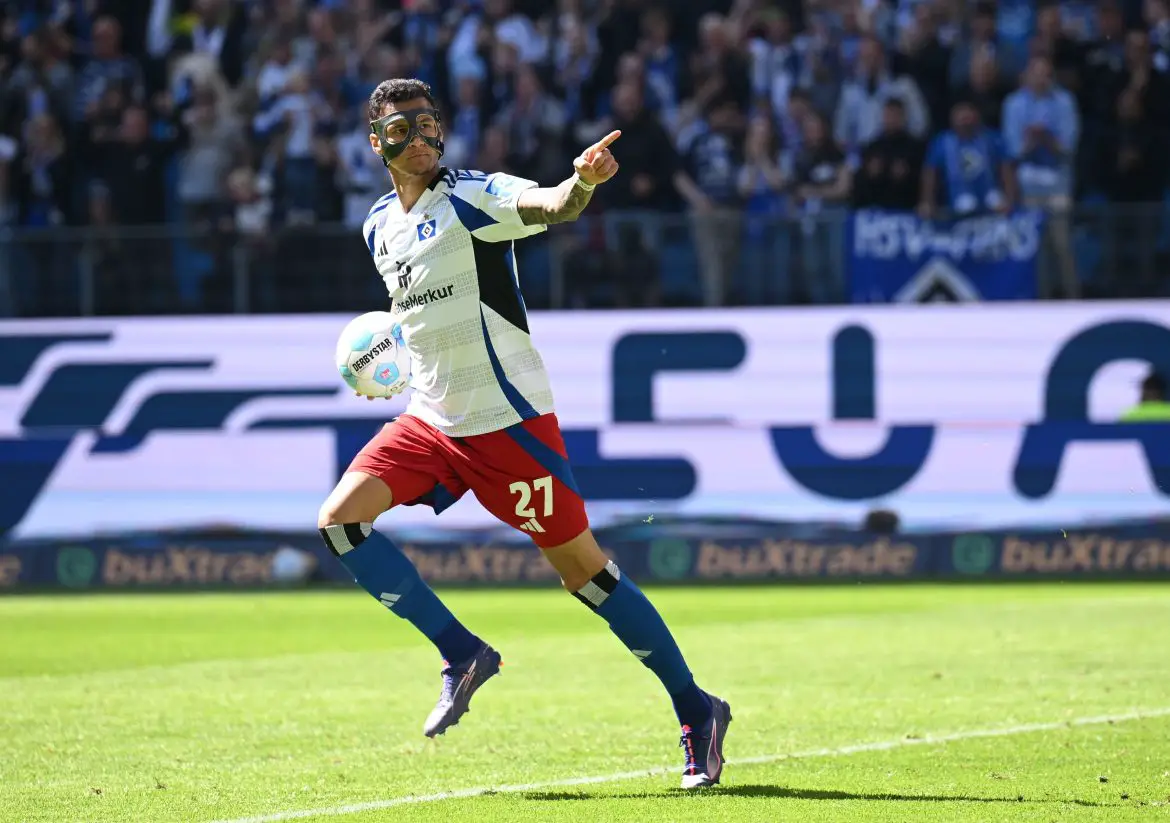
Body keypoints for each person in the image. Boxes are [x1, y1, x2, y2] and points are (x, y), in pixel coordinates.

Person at [316, 78, 730, 789]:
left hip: (509, 425)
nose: (418, 137)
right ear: (377, 142)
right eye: (400, 128)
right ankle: (462, 653)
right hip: (431, 420)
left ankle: (697, 709)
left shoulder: (473, 196)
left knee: (586, 575)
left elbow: (549, 205)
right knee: (339, 522)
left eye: (427, 124)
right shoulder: (378, 224)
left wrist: (580, 182)